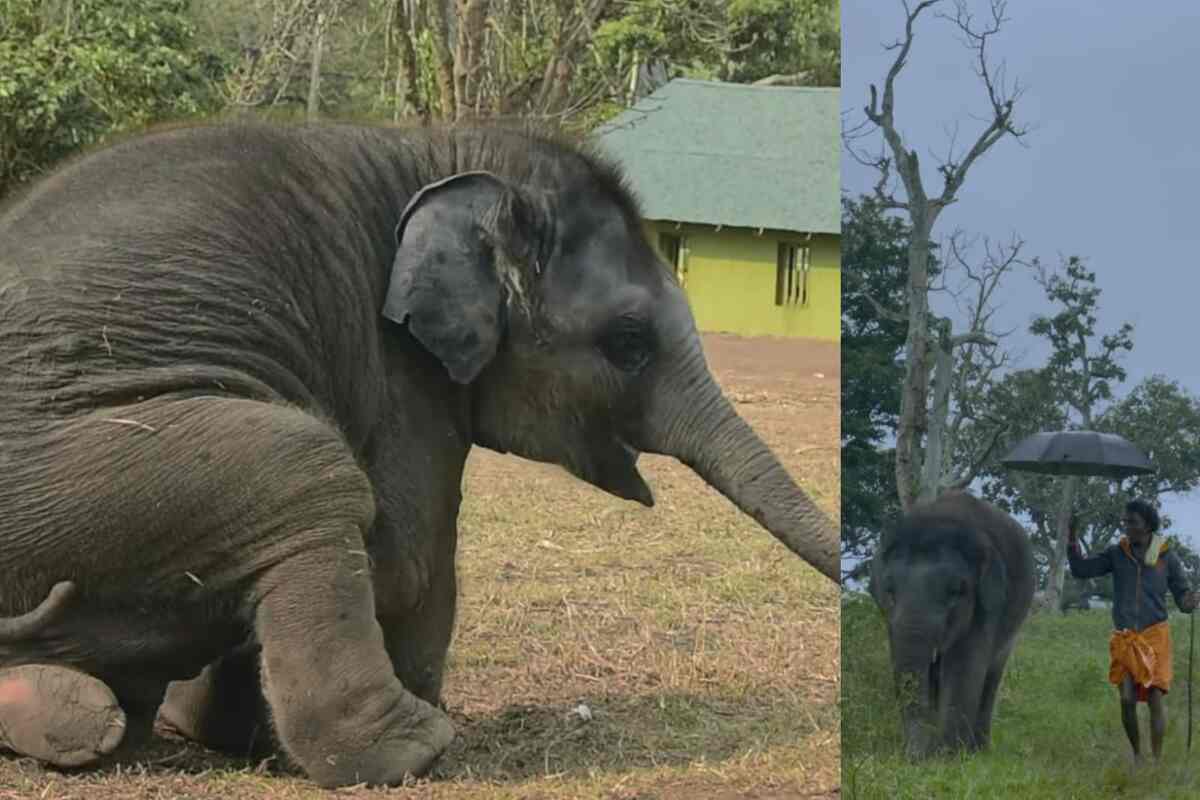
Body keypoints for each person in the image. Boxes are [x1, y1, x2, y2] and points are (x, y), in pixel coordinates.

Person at [1067, 499, 1199, 764]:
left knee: (1154, 698)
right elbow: (1081, 570)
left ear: (1148, 525)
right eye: (1125, 522)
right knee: (1127, 698)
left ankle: (1156, 759)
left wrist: (1191, 600)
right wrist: (1072, 539)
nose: (1126, 527)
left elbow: (1183, 598)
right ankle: (1138, 755)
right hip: (1126, 638)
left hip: (1155, 636)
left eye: (1132, 522)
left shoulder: (1166, 557)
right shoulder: (1117, 554)